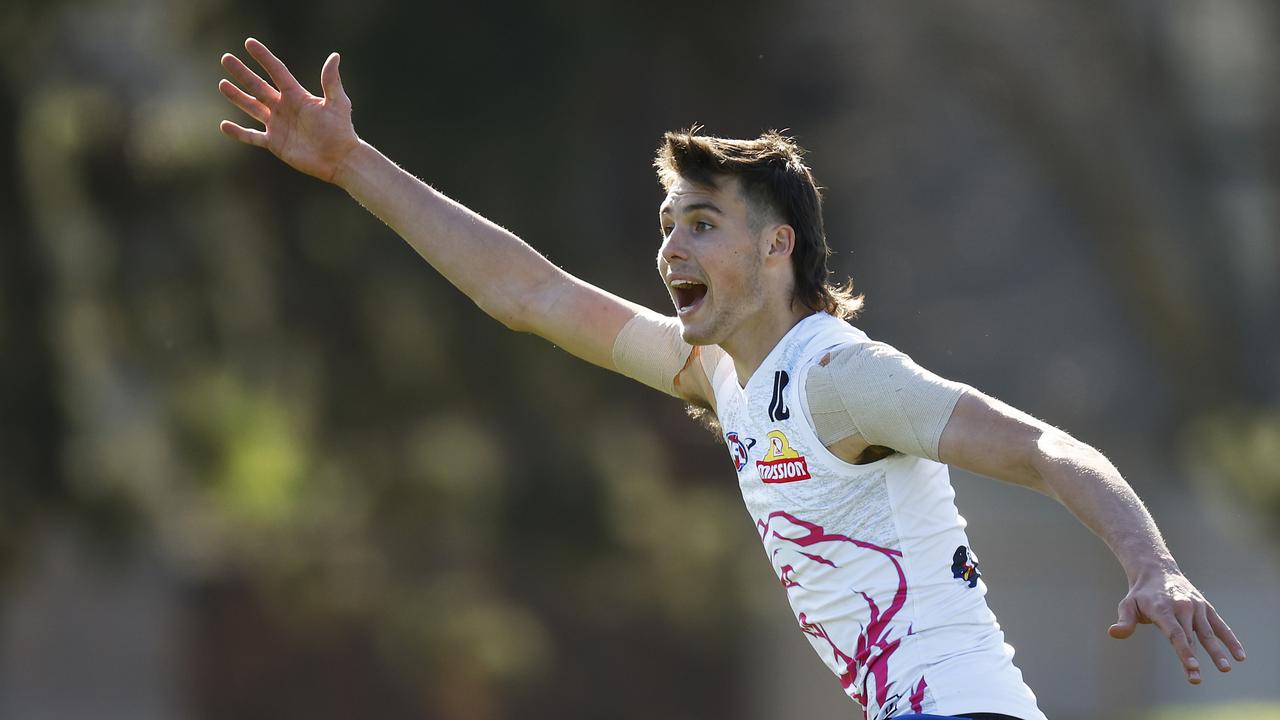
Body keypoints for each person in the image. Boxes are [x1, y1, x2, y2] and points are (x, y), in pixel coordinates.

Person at [217, 38, 1247, 720]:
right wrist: (353, 165)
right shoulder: (722, 376)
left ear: (775, 249)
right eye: (667, 225)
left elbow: (1041, 446)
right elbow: (525, 294)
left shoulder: (841, 378)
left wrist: (1147, 561)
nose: (671, 247)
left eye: (702, 222)